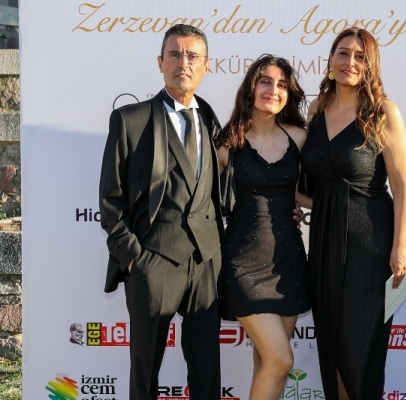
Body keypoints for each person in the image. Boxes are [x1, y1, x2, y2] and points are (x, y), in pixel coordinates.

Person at [99, 24, 224, 400]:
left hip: (206, 261)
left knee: (207, 368)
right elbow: (110, 199)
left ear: (206, 66)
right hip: (152, 261)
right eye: (175, 54)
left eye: (193, 56)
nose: (183, 63)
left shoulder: (212, 120)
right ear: (160, 62)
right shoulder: (130, 120)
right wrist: (133, 258)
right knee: (145, 370)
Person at [300, 27, 406, 400]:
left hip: (370, 245)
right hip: (324, 244)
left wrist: (400, 248)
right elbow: (313, 188)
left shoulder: (383, 112)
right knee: (331, 345)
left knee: (359, 349)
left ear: (371, 65)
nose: (350, 62)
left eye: (360, 56)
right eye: (343, 53)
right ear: (331, 60)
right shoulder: (316, 111)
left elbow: (402, 186)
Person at [215, 54, 311, 400]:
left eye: (282, 84)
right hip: (244, 263)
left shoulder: (300, 138)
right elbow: (202, 201)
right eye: (265, 81)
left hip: (289, 262)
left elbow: (304, 192)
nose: (273, 90)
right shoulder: (228, 144)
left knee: (267, 363)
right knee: (281, 360)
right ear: (250, 88)